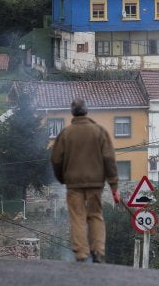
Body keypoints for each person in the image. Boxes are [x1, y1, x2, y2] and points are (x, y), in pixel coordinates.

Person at [50, 98, 120, 263]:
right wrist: (114, 186)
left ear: (72, 113)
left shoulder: (65, 134)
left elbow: (56, 160)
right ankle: (98, 252)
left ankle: (81, 254)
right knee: (95, 215)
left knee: (77, 217)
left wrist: (62, 178)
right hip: (96, 184)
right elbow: (109, 159)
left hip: (73, 184)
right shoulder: (99, 131)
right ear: (86, 111)